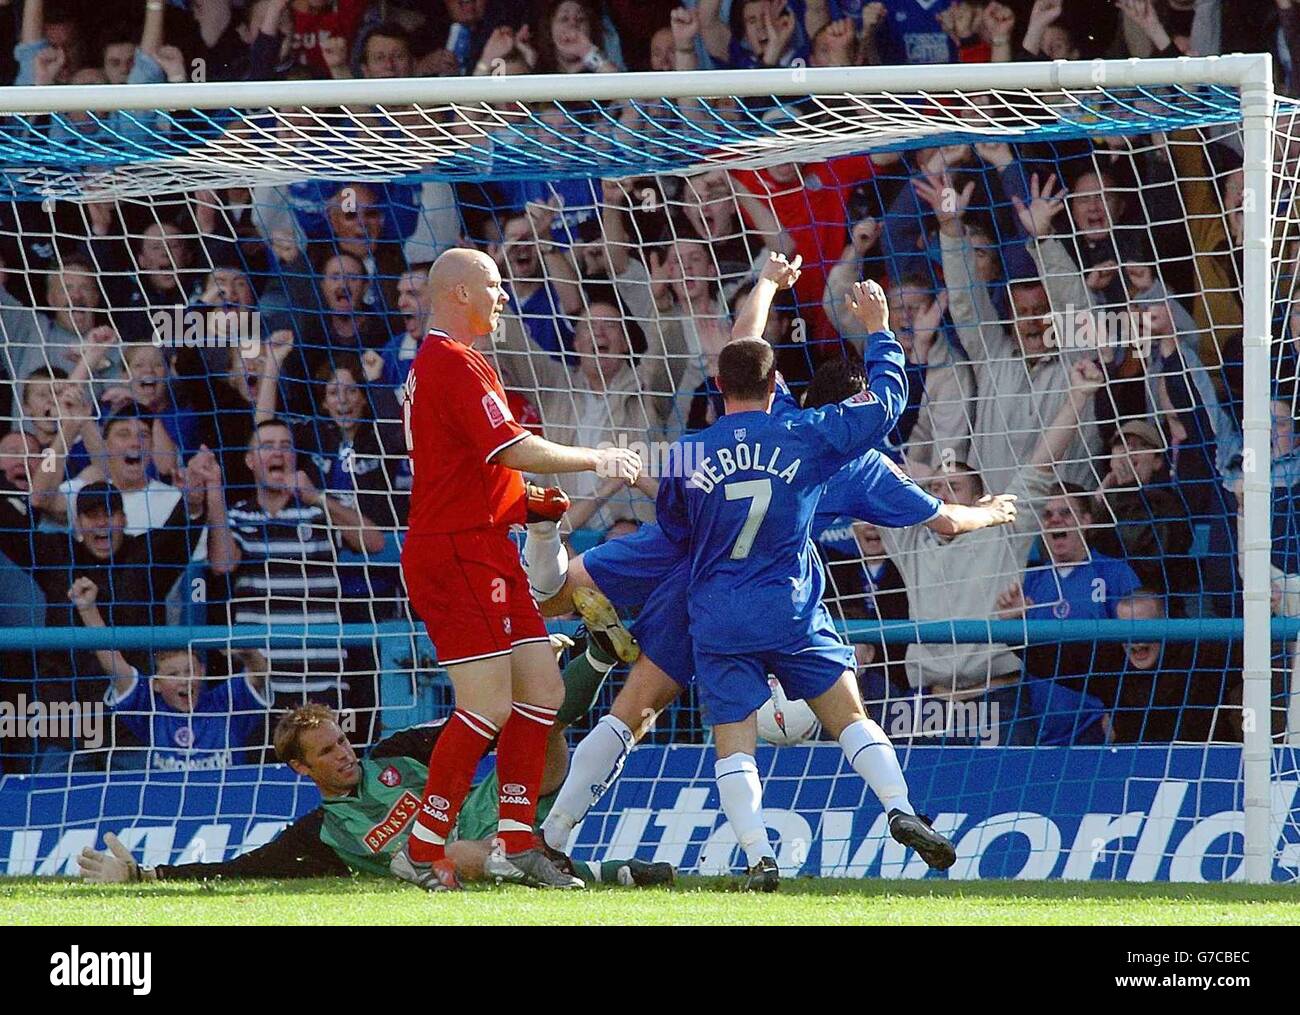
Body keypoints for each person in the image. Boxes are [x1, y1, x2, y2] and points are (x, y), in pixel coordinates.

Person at [530, 257, 1017, 867]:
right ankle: (896, 806)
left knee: (615, 678)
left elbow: (745, 345)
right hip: (775, 588)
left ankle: (552, 834)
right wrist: (992, 511)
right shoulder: (849, 458)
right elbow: (946, 520)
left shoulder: (777, 415)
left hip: (694, 562)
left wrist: (764, 281)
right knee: (837, 713)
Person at [392, 246, 640, 892]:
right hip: (454, 550)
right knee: (486, 702)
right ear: (461, 294)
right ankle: (421, 848)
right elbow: (510, 447)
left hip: (486, 543)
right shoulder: (449, 362)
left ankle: (515, 841)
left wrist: (525, 502)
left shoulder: (458, 365)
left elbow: (473, 466)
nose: (503, 297)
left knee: (544, 691)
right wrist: (596, 458)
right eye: (495, 287)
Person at [77, 684, 674, 887]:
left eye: (342, 741)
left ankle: (594, 657)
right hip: (454, 857)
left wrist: (534, 690)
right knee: (451, 856)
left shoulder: (397, 751)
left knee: (542, 733)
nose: (345, 755)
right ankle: (592, 871)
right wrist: (145, 876)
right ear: (302, 771)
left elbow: (476, 729)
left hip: (493, 809)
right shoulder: (322, 835)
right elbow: (239, 870)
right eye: (328, 753)